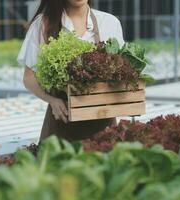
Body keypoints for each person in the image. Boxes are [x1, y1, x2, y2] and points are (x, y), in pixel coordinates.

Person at [17, 0, 125, 142]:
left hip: (103, 123)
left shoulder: (110, 23)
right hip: (62, 122)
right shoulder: (43, 24)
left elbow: (121, 72)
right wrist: (52, 101)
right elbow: (29, 78)